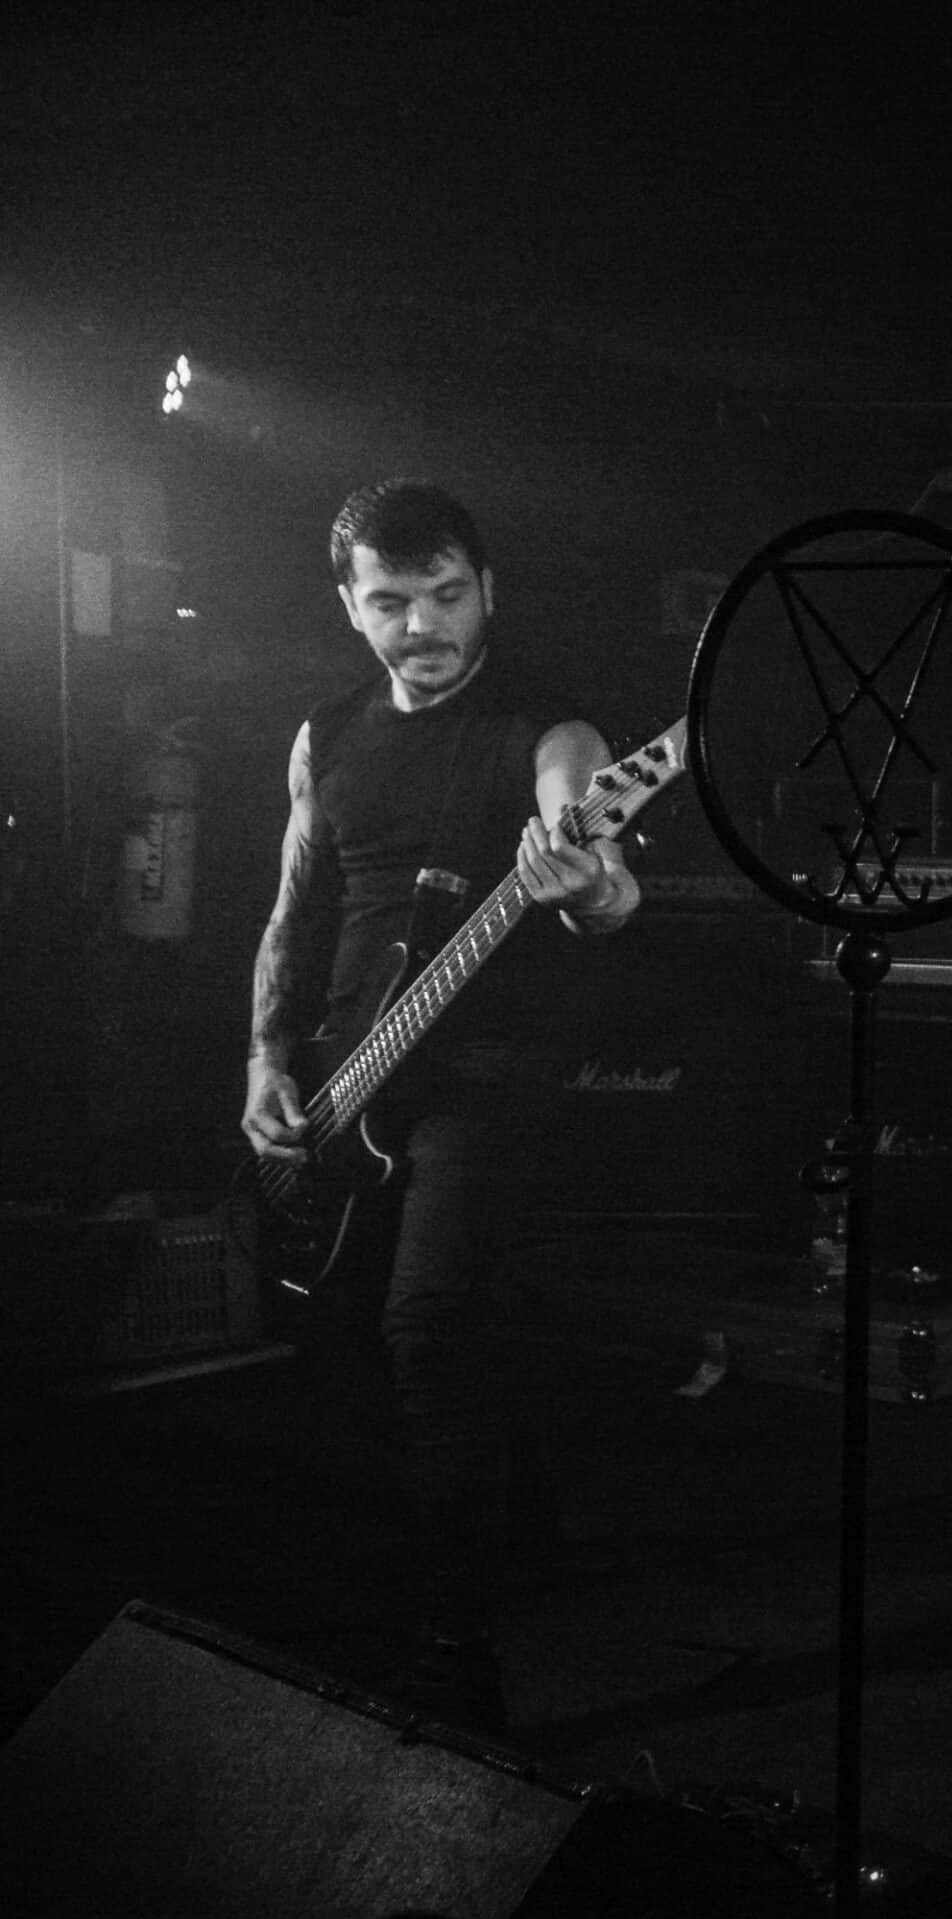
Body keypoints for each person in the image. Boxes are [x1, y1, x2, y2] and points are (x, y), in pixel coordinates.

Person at [241, 479, 640, 1735]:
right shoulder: (326, 735)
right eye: (392, 602)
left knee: (428, 1330)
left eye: (447, 595)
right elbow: (294, 912)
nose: (422, 626)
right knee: (345, 1350)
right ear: (349, 606)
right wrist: (264, 1061)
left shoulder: (550, 733)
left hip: (482, 1078)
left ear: (488, 591)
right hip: (342, 1082)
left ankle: (457, 1659)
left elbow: (604, 874)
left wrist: (589, 886)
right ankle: (490, 1540)